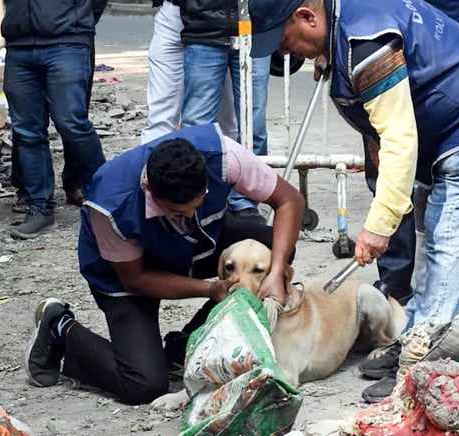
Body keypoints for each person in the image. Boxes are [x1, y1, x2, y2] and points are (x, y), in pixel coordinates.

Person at [249, 0, 459, 402]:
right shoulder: (342, 25)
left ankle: (428, 364)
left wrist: (378, 228)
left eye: (285, 41)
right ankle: (414, 336)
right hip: (455, 117)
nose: (286, 54)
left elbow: (400, 142)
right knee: (435, 233)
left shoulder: (367, 43)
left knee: (448, 237)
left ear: (308, 17)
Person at [23, 124, 304, 404]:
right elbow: (137, 279)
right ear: (149, 188)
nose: (192, 213)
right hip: (127, 275)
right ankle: (59, 328)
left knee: (270, 249)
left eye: (200, 201)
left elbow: (289, 200)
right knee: (144, 384)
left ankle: (184, 345)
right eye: (179, 211)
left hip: (196, 246)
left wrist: (276, 271)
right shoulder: (109, 205)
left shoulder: (223, 156)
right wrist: (210, 289)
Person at [348, 0, 459, 308]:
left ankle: (442, 291)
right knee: (388, 175)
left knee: (441, 194)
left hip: (446, 66)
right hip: (391, 59)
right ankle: (396, 280)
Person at [2, 0, 108, 239]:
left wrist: (76, 19)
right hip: (19, 45)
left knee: (71, 122)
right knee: (27, 132)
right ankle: (40, 207)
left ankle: (107, 193)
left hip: (67, 41)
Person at [180, 0, 273, 224]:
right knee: (196, 126)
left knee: (254, 124)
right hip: (204, 27)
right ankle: (197, 199)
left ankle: (245, 201)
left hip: (256, 28)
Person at [140, 0, 238, 144]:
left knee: (225, 120)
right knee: (160, 115)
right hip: (173, 14)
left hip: (215, 22)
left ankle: (230, 163)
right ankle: (155, 164)